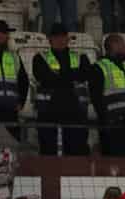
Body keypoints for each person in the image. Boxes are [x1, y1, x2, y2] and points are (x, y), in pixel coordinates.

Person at [32, 25, 90, 156]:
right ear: (49, 39)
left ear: (68, 38)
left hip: (76, 111)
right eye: (56, 37)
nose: (60, 40)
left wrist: (57, 76)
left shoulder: (81, 56)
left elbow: (85, 75)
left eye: (63, 36)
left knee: (77, 152)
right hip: (48, 111)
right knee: (48, 152)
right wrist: (72, 75)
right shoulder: (39, 57)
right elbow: (44, 78)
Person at [91, 33, 125, 156]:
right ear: (113, 46)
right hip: (113, 129)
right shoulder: (99, 68)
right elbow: (96, 98)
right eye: (122, 44)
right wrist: (106, 122)